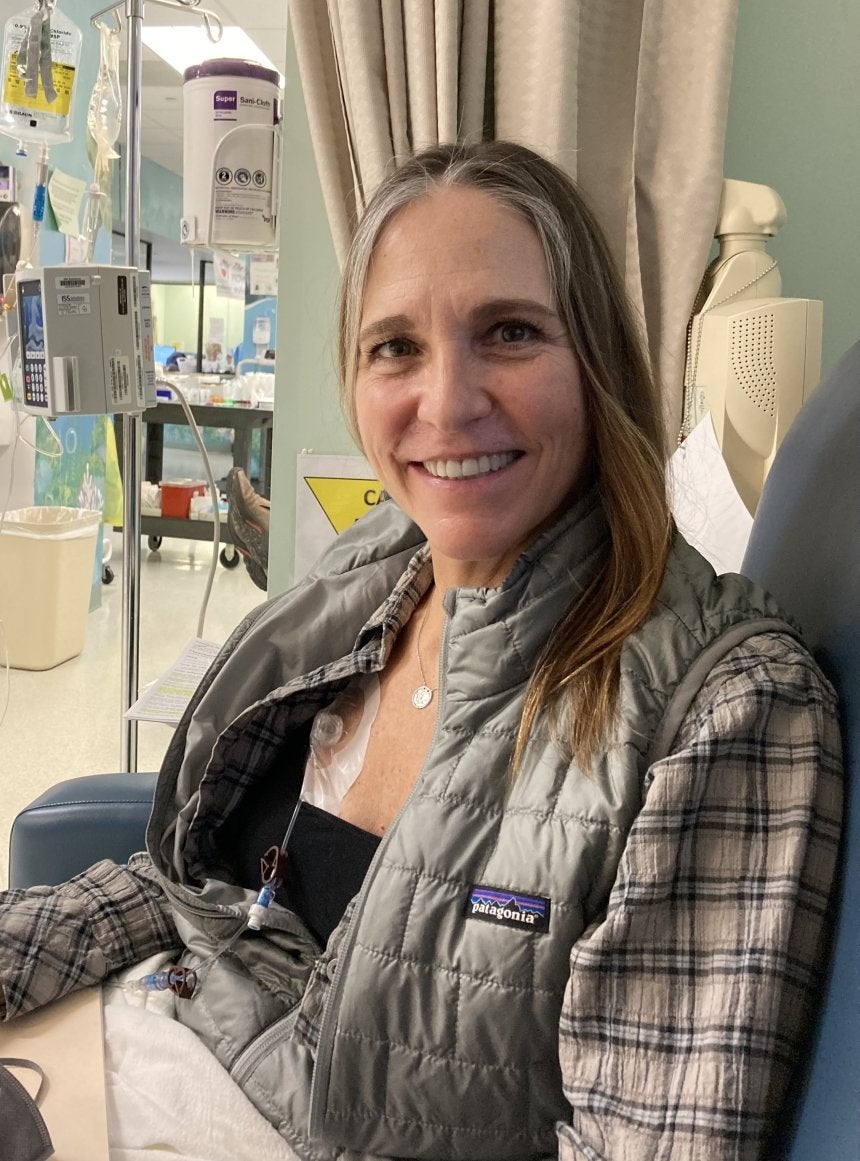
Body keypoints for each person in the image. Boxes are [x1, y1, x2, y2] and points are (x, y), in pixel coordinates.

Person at [0, 142, 843, 1160]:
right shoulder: (370, 576)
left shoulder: (723, 713)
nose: (444, 404)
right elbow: (194, 897)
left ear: (598, 363)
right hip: (119, 1062)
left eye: (510, 333)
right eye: (394, 347)